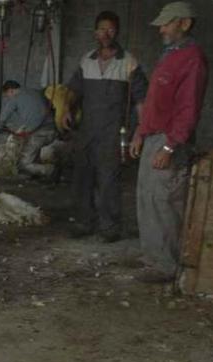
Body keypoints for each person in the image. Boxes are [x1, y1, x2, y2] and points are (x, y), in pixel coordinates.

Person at [131, 1, 208, 283]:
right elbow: (156, 103)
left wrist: (169, 145)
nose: (161, 29)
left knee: (165, 201)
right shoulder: (170, 54)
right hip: (154, 135)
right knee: (147, 198)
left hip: (169, 140)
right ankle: (152, 257)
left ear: (184, 23)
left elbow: (188, 108)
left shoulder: (192, 58)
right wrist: (141, 131)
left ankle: (166, 266)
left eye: (166, 23)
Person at [65, 10, 148, 243]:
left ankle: (110, 227)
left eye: (111, 29)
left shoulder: (129, 62)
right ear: (95, 32)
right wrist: (65, 109)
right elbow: (73, 90)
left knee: (108, 181)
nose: (106, 33)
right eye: (102, 28)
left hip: (112, 133)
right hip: (87, 130)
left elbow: (142, 100)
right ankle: (83, 222)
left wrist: (140, 131)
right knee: (82, 178)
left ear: (117, 32)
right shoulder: (87, 60)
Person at [0, 80, 57, 179]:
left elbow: (3, 117)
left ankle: (51, 170)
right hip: (52, 129)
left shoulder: (15, 98)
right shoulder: (34, 92)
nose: (8, 98)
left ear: (11, 91)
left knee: (23, 163)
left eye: (7, 95)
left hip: (41, 132)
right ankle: (35, 175)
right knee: (32, 152)